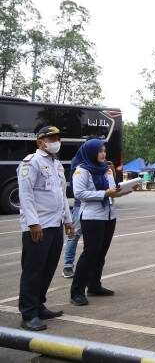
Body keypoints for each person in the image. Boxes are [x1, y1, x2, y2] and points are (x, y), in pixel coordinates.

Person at [17, 125, 75, 331]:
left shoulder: (56, 164)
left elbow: (61, 195)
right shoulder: (30, 163)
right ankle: (28, 313)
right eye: (51, 138)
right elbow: (25, 194)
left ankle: (39, 305)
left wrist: (68, 220)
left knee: (48, 268)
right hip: (38, 226)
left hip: (55, 224)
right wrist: (33, 223)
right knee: (33, 270)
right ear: (40, 141)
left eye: (57, 137)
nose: (55, 141)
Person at [69, 138, 129, 306]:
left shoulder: (107, 170)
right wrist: (104, 194)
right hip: (92, 216)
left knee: (101, 253)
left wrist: (127, 190)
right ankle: (77, 292)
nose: (103, 154)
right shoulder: (82, 170)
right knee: (90, 254)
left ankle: (94, 285)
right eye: (100, 151)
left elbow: (112, 192)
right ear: (91, 152)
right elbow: (79, 193)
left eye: (104, 151)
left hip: (109, 215)